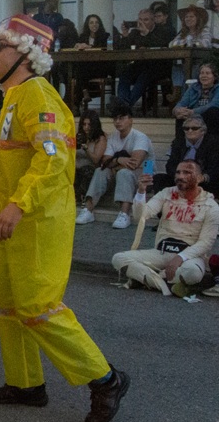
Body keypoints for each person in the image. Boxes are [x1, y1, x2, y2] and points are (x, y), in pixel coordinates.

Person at [0, 14, 129, 422]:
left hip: (37, 222)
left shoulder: (37, 94)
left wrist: (17, 204)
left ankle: (105, 379)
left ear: (26, 55)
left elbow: (52, 161)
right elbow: (18, 156)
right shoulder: (14, 96)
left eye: (0, 46)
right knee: (9, 307)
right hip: (15, 220)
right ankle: (25, 384)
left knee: (38, 307)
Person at [112, 160, 219, 297]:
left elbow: (206, 243)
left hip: (189, 257)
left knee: (193, 273)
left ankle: (146, 278)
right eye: (178, 172)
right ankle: (164, 284)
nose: (180, 176)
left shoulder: (211, 206)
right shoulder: (166, 193)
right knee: (118, 258)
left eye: (187, 172)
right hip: (161, 252)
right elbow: (141, 216)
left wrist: (180, 257)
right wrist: (141, 191)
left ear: (199, 178)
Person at [77, 102, 154, 230]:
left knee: (124, 173)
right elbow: (104, 162)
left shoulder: (140, 137)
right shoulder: (113, 137)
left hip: (146, 173)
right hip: (119, 172)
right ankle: (88, 210)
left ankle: (124, 213)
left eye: (121, 118)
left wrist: (114, 163)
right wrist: (119, 160)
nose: (118, 122)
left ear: (130, 120)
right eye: (115, 119)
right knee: (100, 171)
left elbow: (134, 164)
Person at [115, 8, 174, 106]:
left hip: (159, 66)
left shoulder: (162, 30)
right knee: (125, 74)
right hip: (140, 64)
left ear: (153, 20)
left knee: (144, 76)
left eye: (145, 20)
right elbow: (123, 48)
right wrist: (125, 36)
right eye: (140, 19)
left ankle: (124, 105)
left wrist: (147, 33)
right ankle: (124, 104)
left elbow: (161, 44)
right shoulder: (135, 32)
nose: (142, 22)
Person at [154, 113, 219, 193]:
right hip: (181, 179)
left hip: (202, 180)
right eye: (186, 128)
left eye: (194, 128)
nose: (190, 131)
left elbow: (215, 167)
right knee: (159, 179)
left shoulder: (214, 143)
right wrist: (180, 175)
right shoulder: (178, 142)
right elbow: (170, 165)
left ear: (203, 131)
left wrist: (202, 177)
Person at [172, 60, 219, 134]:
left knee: (212, 111)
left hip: (209, 117)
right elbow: (182, 102)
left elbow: (214, 104)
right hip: (192, 116)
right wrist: (177, 110)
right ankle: (179, 140)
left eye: (207, 73)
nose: (204, 76)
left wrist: (193, 112)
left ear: (214, 77)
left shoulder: (217, 88)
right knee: (181, 114)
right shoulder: (193, 87)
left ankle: (211, 139)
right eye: (202, 73)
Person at [75, 111, 106, 203]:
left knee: (86, 171)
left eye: (89, 124)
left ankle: (82, 199)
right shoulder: (80, 137)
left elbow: (96, 159)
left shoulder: (100, 138)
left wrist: (86, 149)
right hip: (76, 168)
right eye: (84, 124)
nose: (86, 127)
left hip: (90, 170)